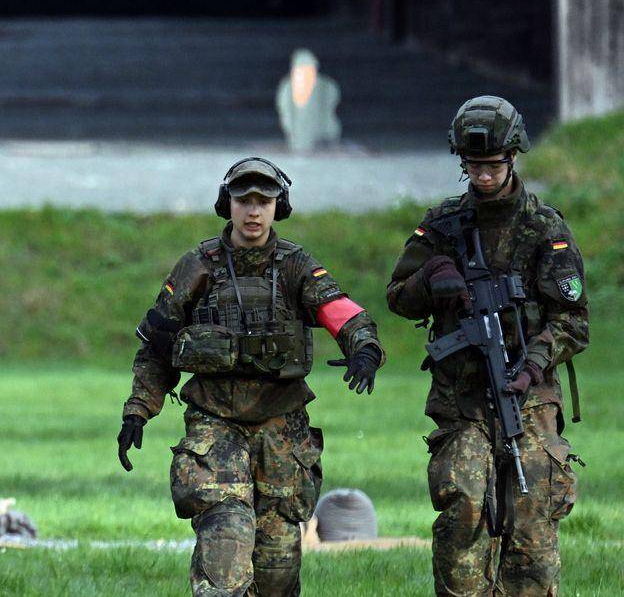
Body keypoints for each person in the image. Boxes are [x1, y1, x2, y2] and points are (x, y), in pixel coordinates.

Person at [120, 157, 383, 596]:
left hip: (283, 430)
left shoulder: (296, 266)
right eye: (245, 200)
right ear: (229, 204)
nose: (255, 211)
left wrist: (364, 347)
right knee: (226, 539)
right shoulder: (197, 266)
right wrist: (138, 410)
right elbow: (157, 345)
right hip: (215, 423)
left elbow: (341, 311)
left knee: (277, 571)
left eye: (265, 200)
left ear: (280, 205)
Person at [386, 96, 587, 596]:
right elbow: (399, 298)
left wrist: (533, 363)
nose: (482, 176)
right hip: (463, 399)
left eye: (492, 166)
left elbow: (572, 320)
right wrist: (433, 277)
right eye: (472, 166)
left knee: (532, 522)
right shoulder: (442, 225)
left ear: (513, 158)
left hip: (528, 397)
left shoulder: (544, 228)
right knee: (465, 509)